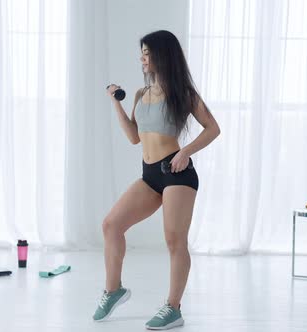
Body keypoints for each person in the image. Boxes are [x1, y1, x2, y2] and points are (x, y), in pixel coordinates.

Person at [93, 30, 220, 330]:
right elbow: (134, 137)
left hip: (177, 172)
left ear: (163, 55)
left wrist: (186, 151)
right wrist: (116, 104)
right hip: (149, 175)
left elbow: (213, 128)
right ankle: (114, 290)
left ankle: (173, 308)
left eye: (147, 53)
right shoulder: (141, 94)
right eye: (142, 53)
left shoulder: (183, 93)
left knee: (174, 241)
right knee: (111, 225)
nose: (142, 58)